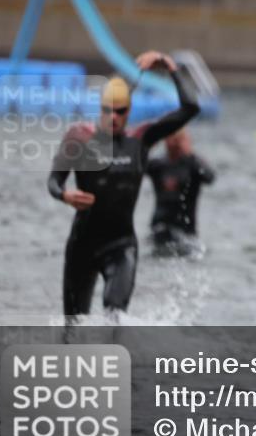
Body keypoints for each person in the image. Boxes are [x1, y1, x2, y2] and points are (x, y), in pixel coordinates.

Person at [48, 52, 199, 318]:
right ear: (100, 108)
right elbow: (53, 181)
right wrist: (64, 195)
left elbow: (190, 108)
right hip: (82, 247)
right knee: (73, 326)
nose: (113, 117)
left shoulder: (141, 139)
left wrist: (170, 66)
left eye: (120, 111)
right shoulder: (79, 138)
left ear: (129, 111)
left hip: (120, 246)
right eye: (107, 110)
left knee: (115, 317)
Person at [146, 127, 215, 257]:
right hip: (160, 227)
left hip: (186, 231)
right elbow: (134, 168)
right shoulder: (158, 165)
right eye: (171, 138)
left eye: (178, 139)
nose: (174, 142)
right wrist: (147, 144)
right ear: (165, 140)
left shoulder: (192, 165)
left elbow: (210, 177)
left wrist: (191, 154)